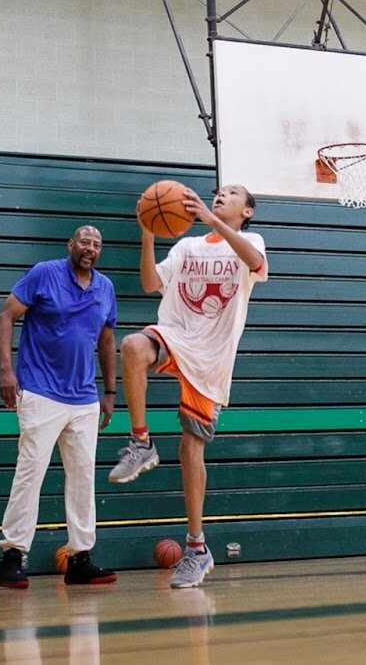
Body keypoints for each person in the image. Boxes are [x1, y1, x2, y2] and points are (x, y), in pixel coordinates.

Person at [109, 184, 268, 588]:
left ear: (246, 211)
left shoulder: (250, 240)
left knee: (190, 447)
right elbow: (149, 282)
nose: (219, 195)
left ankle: (196, 548)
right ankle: (141, 442)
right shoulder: (186, 247)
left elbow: (253, 262)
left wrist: (212, 220)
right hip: (177, 335)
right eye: (217, 191)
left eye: (231, 193)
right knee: (131, 346)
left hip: (212, 357)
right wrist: (147, 229)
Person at [0, 225, 119, 589]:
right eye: (84, 241)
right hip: (39, 391)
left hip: (84, 398)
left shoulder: (105, 288)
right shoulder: (44, 273)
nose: (90, 248)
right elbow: (5, 316)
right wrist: (5, 370)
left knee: (83, 478)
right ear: (70, 245)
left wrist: (109, 392)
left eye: (96, 243)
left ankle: (80, 558)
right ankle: (12, 556)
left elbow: (107, 340)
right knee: (30, 473)